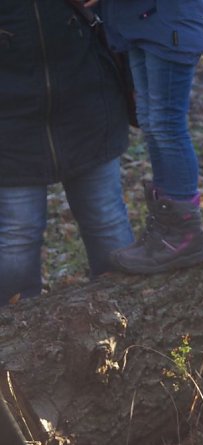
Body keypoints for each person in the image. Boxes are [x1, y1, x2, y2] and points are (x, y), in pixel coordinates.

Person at [0, 0, 135, 306]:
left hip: (86, 94)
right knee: (17, 237)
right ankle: (14, 341)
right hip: (8, 118)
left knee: (106, 221)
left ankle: (127, 320)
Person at [99, 0, 203, 274]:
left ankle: (184, 235)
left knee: (167, 125)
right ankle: (165, 230)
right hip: (141, 22)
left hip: (168, 22)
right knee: (151, 123)